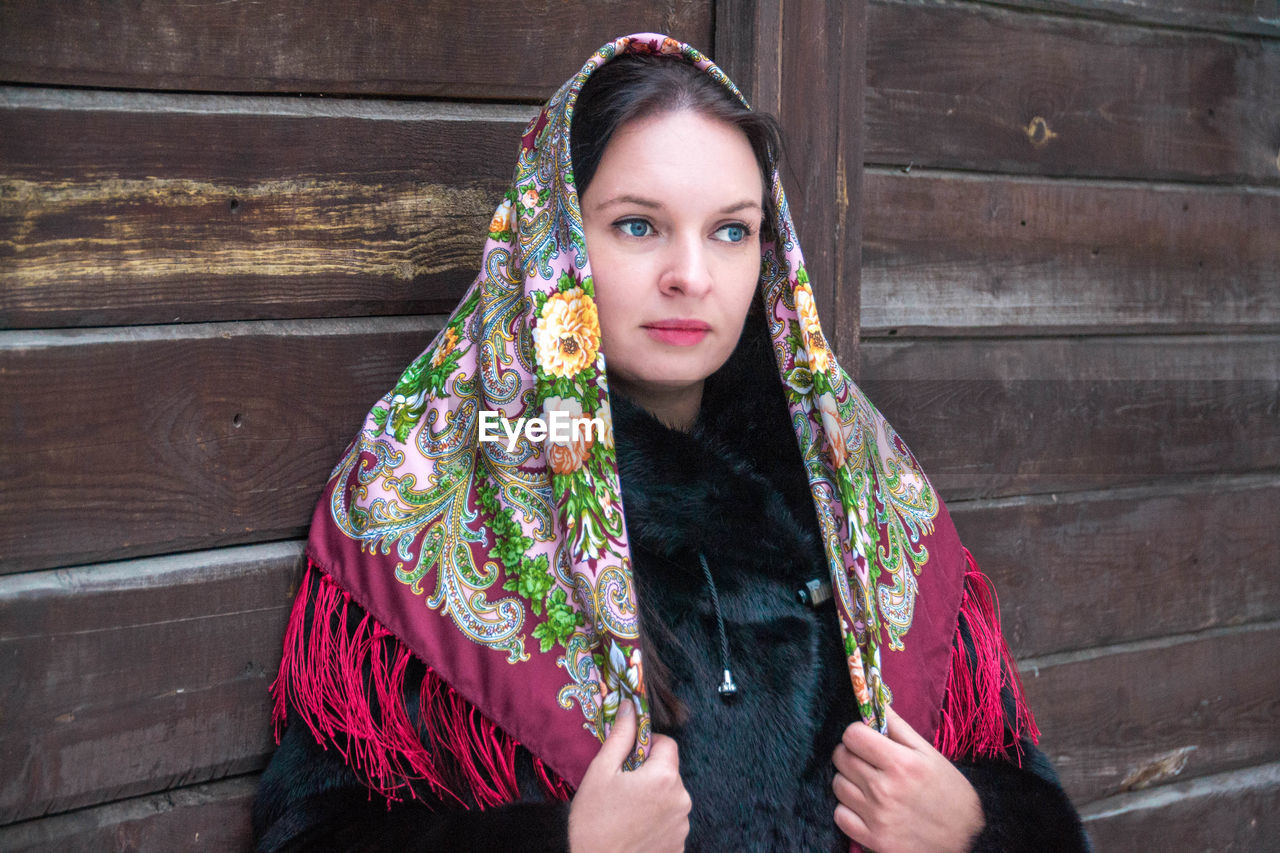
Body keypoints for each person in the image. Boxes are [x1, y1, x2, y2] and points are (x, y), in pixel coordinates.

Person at [252, 34, 1090, 852]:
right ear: (556, 242)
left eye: (731, 230)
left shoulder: (856, 474)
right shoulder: (436, 490)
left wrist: (981, 826)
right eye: (638, 226)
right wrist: (565, 843)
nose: (692, 274)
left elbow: (1028, 785)